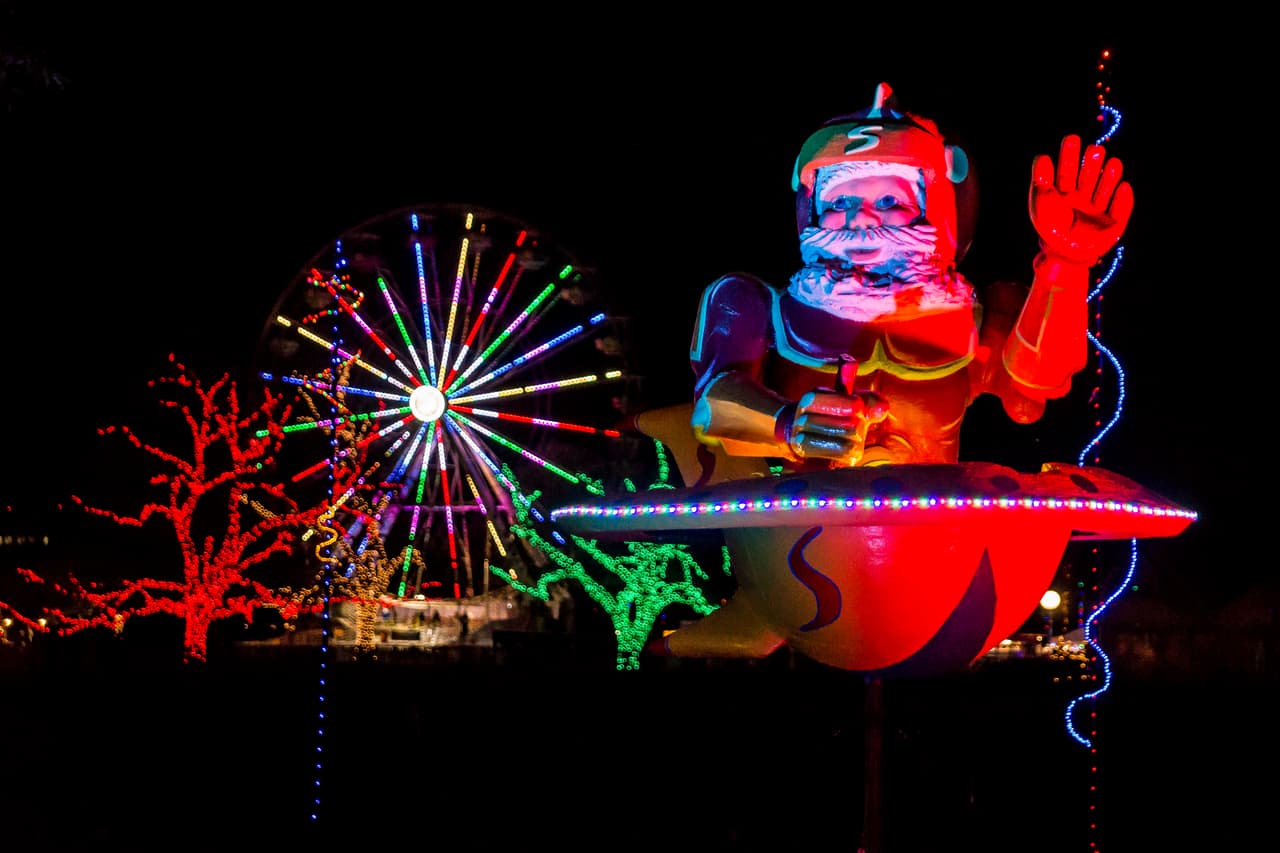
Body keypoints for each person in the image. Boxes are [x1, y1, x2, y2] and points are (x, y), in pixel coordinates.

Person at [634, 82, 1131, 481]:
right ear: (810, 210)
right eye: (840, 203)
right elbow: (712, 409)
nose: (862, 220)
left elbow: (1037, 382)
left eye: (890, 201)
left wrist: (1066, 264)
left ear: (938, 208)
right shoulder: (754, 307)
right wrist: (786, 425)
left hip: (926, 540)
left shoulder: (976, 317)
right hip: (797, 546)